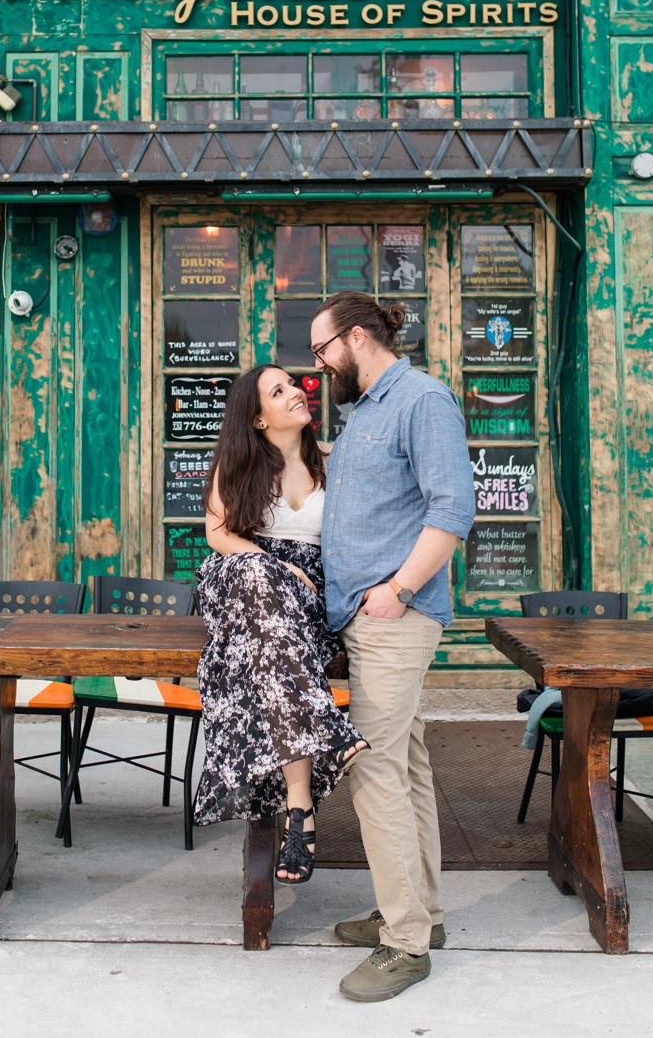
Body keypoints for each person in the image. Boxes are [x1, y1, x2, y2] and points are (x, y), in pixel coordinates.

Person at [312, 290, 475, 1004]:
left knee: (372, 767)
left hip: (393, 615)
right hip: (363, 612)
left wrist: (399, 590)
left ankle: (404, 945)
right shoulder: (366, 412)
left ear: (354, 338)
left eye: (321, 352)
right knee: (403, 764)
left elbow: (452, 509)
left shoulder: (422, 401)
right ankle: (421, 915)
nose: (317, 369)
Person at [192, 364, 368, 884]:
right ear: (259, 417)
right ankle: (324, 738)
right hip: (243, 580)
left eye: (294, 384)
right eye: (279, 390)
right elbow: (220, 537)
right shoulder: (237, 463)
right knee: (255, 576)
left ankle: (299, 808)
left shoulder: (335, 463)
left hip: (304, 602)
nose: (297, 392)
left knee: (273, 653)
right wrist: (275, 565)